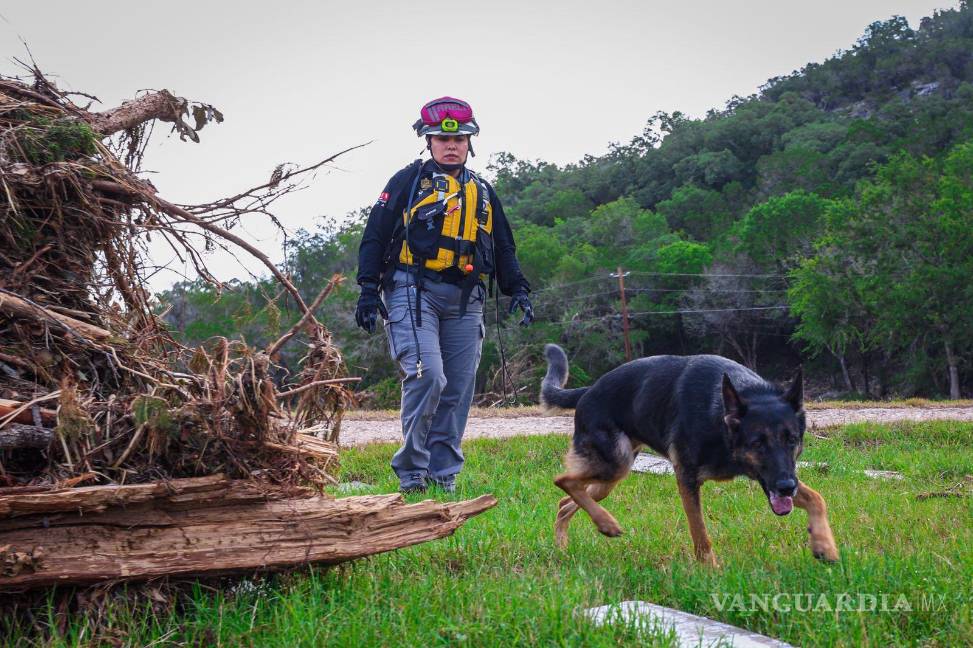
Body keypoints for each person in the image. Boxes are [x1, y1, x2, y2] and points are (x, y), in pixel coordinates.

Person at [356, 97, 533, 493]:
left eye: (460, 139)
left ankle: (443, 474)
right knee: (428, 376)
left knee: (457, 386)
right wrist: (368, 289)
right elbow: (375, 234)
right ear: (428, 141)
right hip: (412, 289)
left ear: (470, 142)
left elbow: (503, 247)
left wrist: (518, 289)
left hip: (466, 297)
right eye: (441, 138)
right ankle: (413, 473)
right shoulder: (406, 182)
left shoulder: (483, 191)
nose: (451, 146)